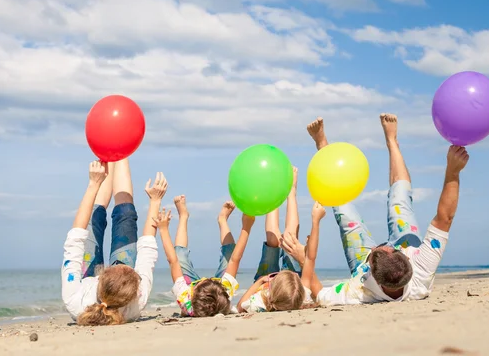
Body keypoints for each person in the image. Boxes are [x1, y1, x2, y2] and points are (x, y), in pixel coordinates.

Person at [288, 114, 469, 305]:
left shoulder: (359, 290)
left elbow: (319, 294)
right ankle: (392, 141)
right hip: (409, 246)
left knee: (344, 211)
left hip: (363, 264)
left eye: (376, 253)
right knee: (400, 199)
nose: (379, 246)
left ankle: (323, 147)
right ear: (407, 260)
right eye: (392, 249)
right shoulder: (421, 270)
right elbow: (445, 218)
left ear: (371, 271)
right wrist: (453, 171)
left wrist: (304, 259)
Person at [61, 159, 168, 325]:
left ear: (103, 276)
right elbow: (147, 248)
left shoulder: (75, 301)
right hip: (116, 288)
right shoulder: (136, 300)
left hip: (86, 282)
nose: (121, 265)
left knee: (94, 217)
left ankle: (109, 154)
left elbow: (75, 239)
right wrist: (155, 201)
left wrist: (93, 184)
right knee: (125, 215)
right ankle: (120, 153)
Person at [153, 196, 255, 317]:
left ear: (193, 292)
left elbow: (173, 261)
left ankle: (183, 216)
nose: (204, 278)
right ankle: (222, 219)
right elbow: (235, 259)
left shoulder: (185, 296)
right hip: (216, 291)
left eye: (201, 282)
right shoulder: (224, 292)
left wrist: (163, 230)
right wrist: (246, 227)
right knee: (230, 254)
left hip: (192, 288)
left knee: (179, 255)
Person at [237, 167, 316, 313]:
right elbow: (308, 267)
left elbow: (240, 307)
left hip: (265, 285)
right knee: (290, 239)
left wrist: (262, 280)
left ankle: (273, 194)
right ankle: (291, 192)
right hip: (292, 284)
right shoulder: (300, 295)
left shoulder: (260, 302)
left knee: (274, 241)